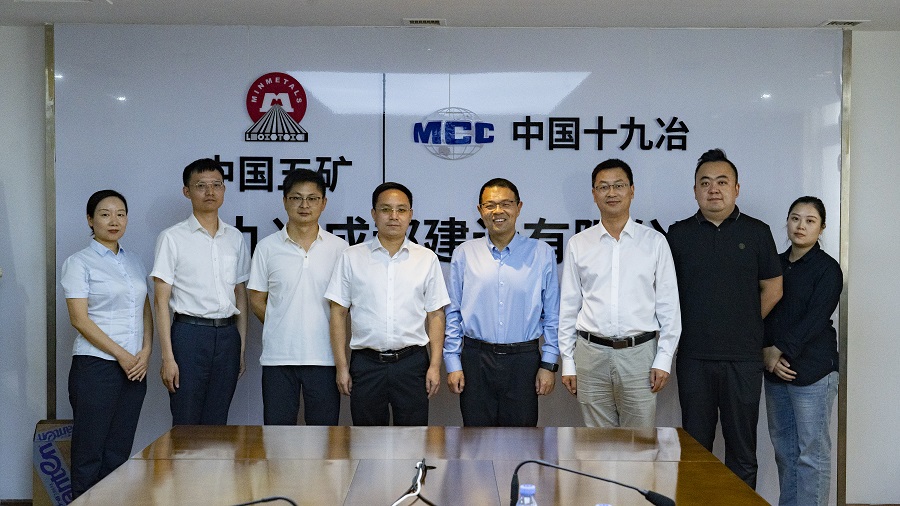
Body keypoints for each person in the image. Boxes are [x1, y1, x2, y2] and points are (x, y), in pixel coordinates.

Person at [667, 148, 783, 488]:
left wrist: (743, 319)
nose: (713, 189)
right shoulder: (678, 234)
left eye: (721, 182)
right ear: (695, 191)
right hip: (694, 357)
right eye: (705, 183)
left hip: (743, 358)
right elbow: (665, 294)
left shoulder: (757, 232)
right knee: (695, 448)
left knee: (742, 450)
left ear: (736, 188)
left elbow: (773, 288)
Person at [558, 159, 681, 428]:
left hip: (640, 355)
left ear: (632, 190)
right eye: (603, 187)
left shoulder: (654, 242)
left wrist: (663, 359)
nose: (611, 193)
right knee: (597, 442)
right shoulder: (579, 244)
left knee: (639, 442)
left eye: (619, 186)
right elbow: (568, 307)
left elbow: (669, 307)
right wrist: (568, 361)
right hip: (590, 355)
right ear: (594, 194)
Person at [325, 182, 449, 426]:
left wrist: (435, 366)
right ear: (373, 214)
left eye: (401, 210)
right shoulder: (352, 257)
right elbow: (338, 313)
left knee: (414, 438)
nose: (394, 216)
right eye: (386, 209)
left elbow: (436, 315)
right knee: (367, 439)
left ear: (410, 215)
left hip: (412, 364)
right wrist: (342, 367)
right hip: (366, 364)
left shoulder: (426, 259)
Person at [443, 178, 560, 427]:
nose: (498, 211)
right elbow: (453, 312)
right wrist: (452, 362)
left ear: (519, 207)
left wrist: (549, 364)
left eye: (506, 204)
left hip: (523, 360)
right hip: (476, 359)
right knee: (475, 438)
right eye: (490, 205)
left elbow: (552, 314)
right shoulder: (465, 253)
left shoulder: (541, 253)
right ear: (480, 210)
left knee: (522, 438)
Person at [61, 190, 152, 498]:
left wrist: (146, 351)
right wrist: (122, 355)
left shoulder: (134, 261)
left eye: (120, 214)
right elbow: (79, 319)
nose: (114, 221)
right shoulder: (79, 262)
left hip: (135, 369)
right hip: (96, 366)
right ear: (90, 220)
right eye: (105, 214)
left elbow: (145, 310)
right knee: (89, 452)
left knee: (118, 453)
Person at [151, 158, 250, 425]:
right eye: (201, 185)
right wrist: (167, 357)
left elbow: (240, 294)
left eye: (216, 185)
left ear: (224, 189)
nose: (210, 192)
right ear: (187, 191)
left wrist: (240, 348)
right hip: (189, 336)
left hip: (227, 337)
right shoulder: (172, 238)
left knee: (218, 422)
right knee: (186, 421)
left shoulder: (234, 237)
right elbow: (161, 301)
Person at [248, 169, 348, 425]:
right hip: (278, 358)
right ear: (285, 201)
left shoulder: (340, 249)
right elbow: (256, 298)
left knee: (325, 436)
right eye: (296, 198)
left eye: (312, 198)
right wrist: (281, 322)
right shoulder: (267, 247)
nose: (304, 205)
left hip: (325, 358)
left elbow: (345, 305)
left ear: (323, 203)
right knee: (277, 435)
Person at [763, 196, 842, 506]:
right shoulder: (774, 264)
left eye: (810, 221)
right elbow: (760, 311)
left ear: (821, 228)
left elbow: (815, 318)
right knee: (785, 451)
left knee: (812, 453)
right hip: (775, 370)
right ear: (787, 221)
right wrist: (766, 353)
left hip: (813, 371)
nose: (801, 226)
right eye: (795, 218)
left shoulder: (827, 269)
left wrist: (780, 350)